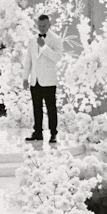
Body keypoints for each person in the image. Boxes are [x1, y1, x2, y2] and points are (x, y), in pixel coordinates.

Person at [27, 14, 63, 145]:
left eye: (44, 26)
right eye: (40, 26)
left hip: (48, 80)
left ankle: (53, 133)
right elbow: (28, 59)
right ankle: (38, 132)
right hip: (35, 79)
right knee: (36, 107)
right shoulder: (32, 39)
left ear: (49, 25)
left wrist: (44, 47)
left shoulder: (56, 39)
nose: (41, 28)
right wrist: (25, 77)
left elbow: (57, 57)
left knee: (50, 107)